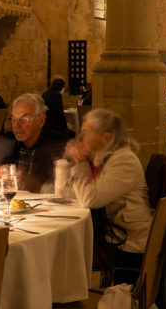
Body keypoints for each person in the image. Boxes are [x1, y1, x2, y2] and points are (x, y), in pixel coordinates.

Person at [59, 108, 153, 270]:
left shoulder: (124, 160)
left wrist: (80, 164)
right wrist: (68, 161)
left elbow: (90, 200)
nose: (80, 138)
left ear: (106, 137)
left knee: (64, 258)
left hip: (127, 243)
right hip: (107, 236)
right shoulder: (99, 157)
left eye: (86, 132)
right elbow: (65, 195)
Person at [0, 93, 68, 192]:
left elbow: (66, 191)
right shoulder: (8, 142)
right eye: (14, 119)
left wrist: (32, 183)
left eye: (24, 119)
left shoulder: (58, 145)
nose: (17, 125)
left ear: (41, 120)